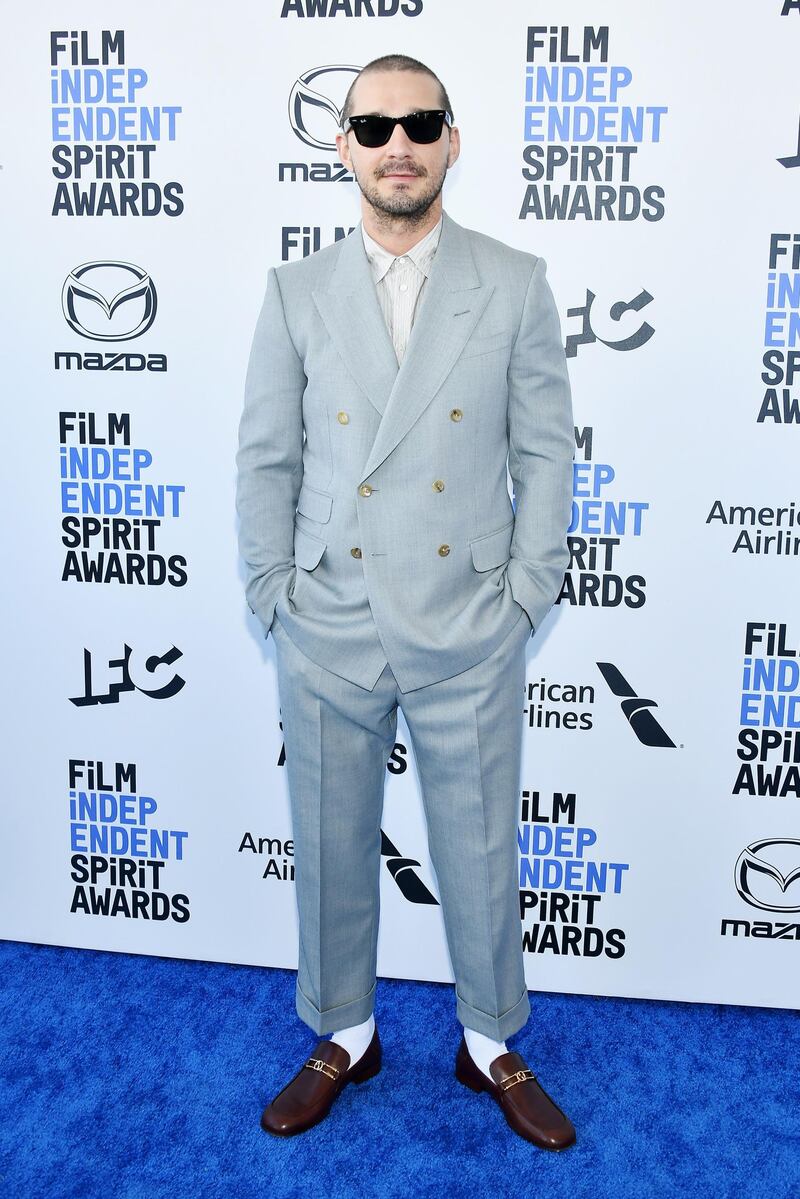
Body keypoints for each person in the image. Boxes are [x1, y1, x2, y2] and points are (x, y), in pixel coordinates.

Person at [235, 53, 576, 1150]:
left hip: (467, 619)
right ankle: (343, 1029)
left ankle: (491, 1041)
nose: (397, 145)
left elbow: (545, 453)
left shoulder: (512, 279)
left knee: (478, 844)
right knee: (329, 838)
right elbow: (265, 458)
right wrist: (271, 590)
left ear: (449, 142)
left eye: (419, 123)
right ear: (341, 147)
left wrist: (525, 594)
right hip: (328, 616)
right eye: (373, 126)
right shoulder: (295, 290)